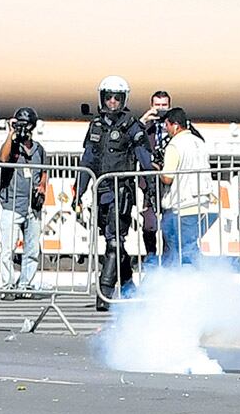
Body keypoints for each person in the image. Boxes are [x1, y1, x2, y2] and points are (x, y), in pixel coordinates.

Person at [75, 76, 155, 311]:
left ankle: (104, 292)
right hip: (101, 192)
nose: (112, 102)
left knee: (114, 241)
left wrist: (151, 190)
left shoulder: (132, 126)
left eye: (117, 98)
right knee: (112, 242)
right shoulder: (96, 126)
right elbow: (87, 160)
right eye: (108, 97)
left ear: (123, 100)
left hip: (122, 192)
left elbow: (145, 160)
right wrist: (78, 192)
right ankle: (129, 287)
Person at [0, 107, 47, 301]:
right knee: (8, 248)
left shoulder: (39, 149)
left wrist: (42, 186)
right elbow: (3, 159)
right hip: (12, 203)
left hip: (32, 206)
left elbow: (45, 170)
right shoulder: (12, 146)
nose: (23, 129)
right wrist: (11, 134)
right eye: (20, 124)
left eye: (26, 125)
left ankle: (25, 284)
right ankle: (7, 285)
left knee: (32, 249)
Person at [159, 107, 215, 267]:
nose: (166, 129)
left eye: (167, 125)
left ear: (175, 125)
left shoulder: (174, 145)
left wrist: (159, 171)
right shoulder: (199, 142)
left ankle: (194, 278)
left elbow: (168, 178)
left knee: (184, 250)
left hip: (182, 205)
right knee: (187, 247)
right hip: (201, 204)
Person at [139, 90, 172, 261]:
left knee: (168, 225)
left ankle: (167, 261)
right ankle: (150, 258)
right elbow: (128, 136)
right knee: (149, 225)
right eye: (157, 105)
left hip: (170, 182)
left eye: (164, 106)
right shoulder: (145, 127)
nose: (160, 109)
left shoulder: (175, 124)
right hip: (149, 183)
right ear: (151, 106)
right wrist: (144, 120)